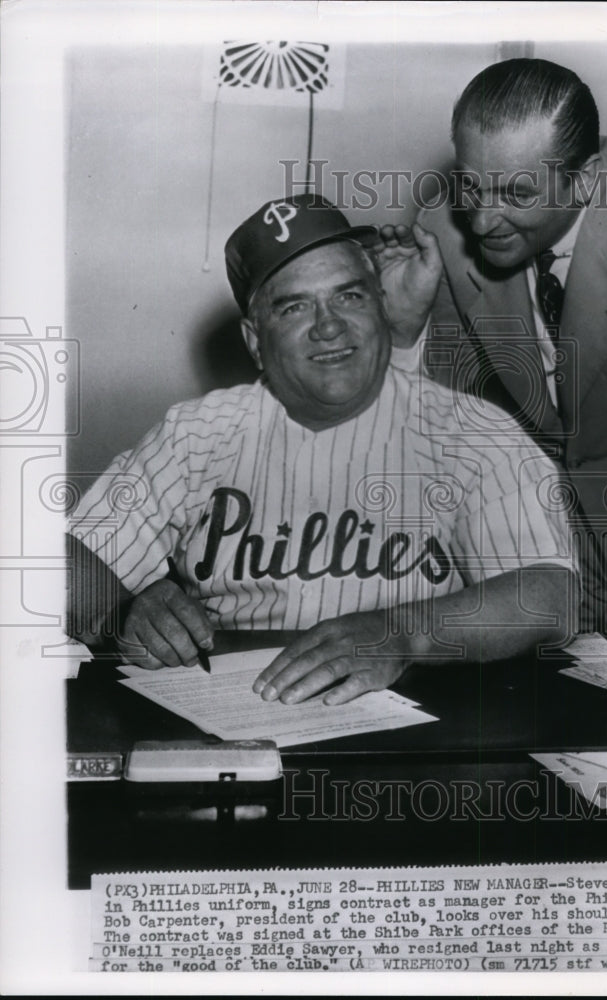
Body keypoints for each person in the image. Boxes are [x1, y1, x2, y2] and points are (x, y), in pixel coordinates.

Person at [67, 194, 578, 705]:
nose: (328, 325)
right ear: (253, 340)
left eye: (350, 296)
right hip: (236, 717)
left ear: (380, 304)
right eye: (294, 307)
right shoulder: (196, 434)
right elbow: (61, 567)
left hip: (419, 721)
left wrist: (402, 632)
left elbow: (549, 596)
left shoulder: (470, 433)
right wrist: (121, 610)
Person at [379, 57, 607, 645]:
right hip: (543, 555)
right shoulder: (442, 222)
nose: (483, 221)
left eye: (516, 192)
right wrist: (402, 327)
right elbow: (452, 420)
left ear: (585, 179)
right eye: (471, 185)